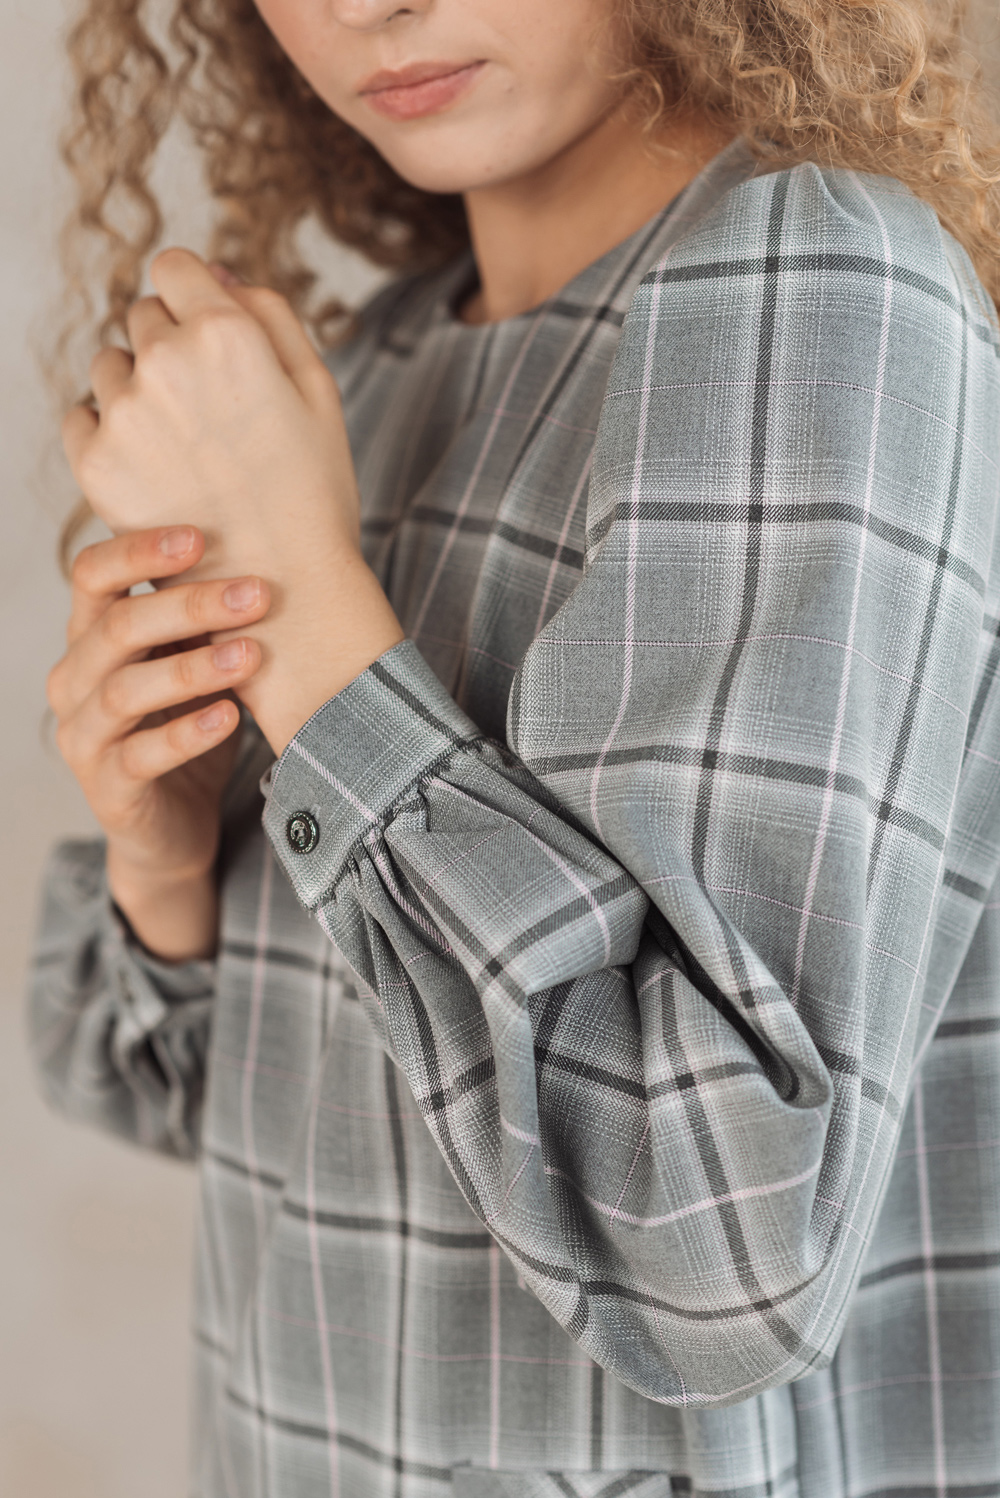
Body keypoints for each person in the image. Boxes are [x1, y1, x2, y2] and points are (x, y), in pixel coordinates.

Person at [28, 0, 1000, 1493]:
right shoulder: (364, 377)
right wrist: (172, 858)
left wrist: (305, 625)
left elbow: (728, 1246)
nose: (365, 6)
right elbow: (292, 1125)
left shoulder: (814, 275)